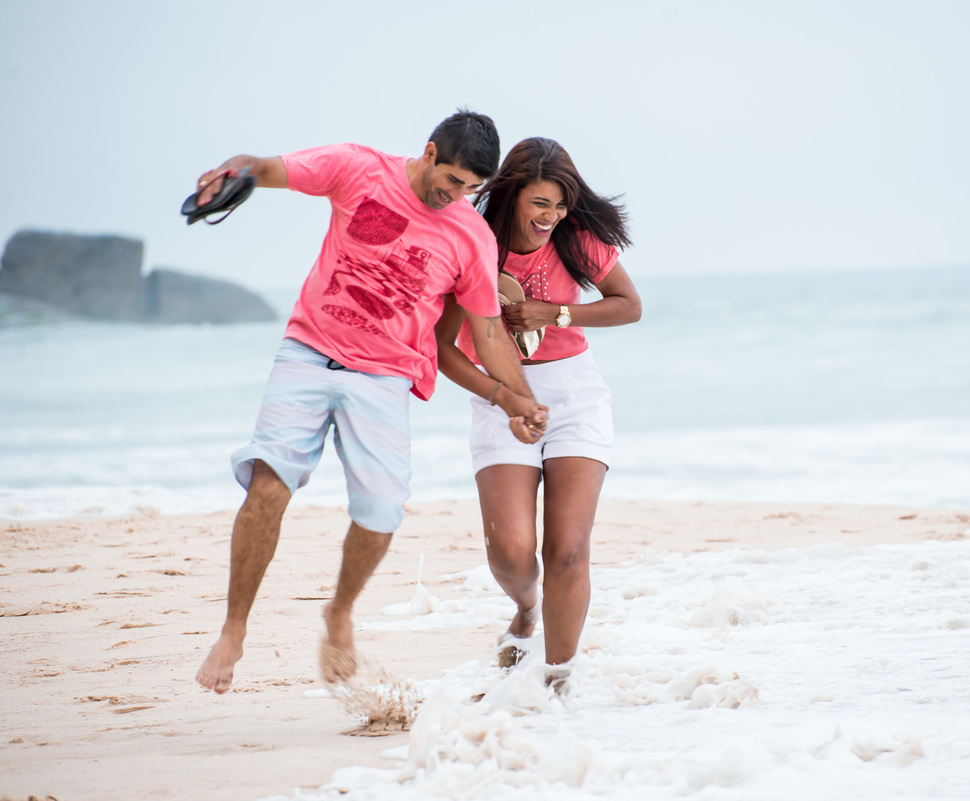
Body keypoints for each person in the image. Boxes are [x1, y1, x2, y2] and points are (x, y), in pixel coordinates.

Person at [193, 111, 549, 695]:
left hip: (385, 378)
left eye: (470, 189)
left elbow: (487, 333)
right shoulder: (358, 170)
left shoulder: (470, 237)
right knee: (269, 483)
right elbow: (273, 169)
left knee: (382, 511)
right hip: (307, 353)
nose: (456, 196)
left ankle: (339, 613)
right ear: (430, 151)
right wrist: (240, 168)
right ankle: (234, 629)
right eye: (452, 180)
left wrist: (521, 401)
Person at [435, 137, 641, 680]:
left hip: (575, 394)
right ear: (513, 197)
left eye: (559, 204)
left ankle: (556, 685)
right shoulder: (475, 245)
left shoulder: (578, 239)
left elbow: (629, 306)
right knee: (510, 552)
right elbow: (442, 350)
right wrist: (502, 396)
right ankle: (528, 609)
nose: (551, 216)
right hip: (501, 395)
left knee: (568, 551)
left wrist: (558, 313)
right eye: (539, 204)